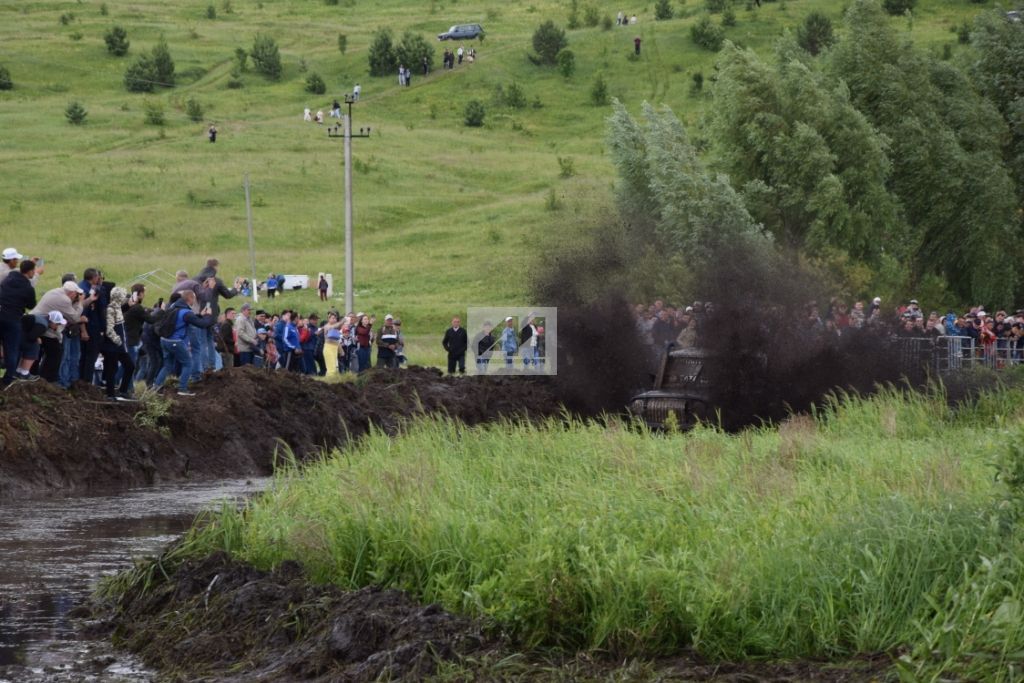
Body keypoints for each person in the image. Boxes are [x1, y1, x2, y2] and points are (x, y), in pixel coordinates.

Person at [152, 290, 216, 396]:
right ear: (190, 298)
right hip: (175, 342)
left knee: (167, 366)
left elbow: (189, 319)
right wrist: (208, 316)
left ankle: (156, 388)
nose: (194, 301)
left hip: (164, 340)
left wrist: (200, 315)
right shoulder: (186, 312)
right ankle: (182, 389)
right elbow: (202, 324)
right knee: (188, 363)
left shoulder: (173, 307)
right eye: (194, 298)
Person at [31, 280, 89, 383]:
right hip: (46, 329)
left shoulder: (54, 291)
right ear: (71, 293)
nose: (77, 296)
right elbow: (74, 318)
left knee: (38, 354)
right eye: (76, 294)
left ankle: (37, 376)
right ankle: (47, 379)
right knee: (55, 354)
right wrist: (80, 303)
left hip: (38, 324)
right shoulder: (64, 300)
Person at [0, 260, 38, 385]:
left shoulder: (8, 279)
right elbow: (31, 305)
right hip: (13, 319)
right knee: (12, 349)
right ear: (30, 271)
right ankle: (8, 378)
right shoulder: (28, 288)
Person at [100, 287, 135, 401]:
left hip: (119, 347)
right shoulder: (111, 309)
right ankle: (110, 394)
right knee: (112, 369)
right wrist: (118, 340)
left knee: (130, 366)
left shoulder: (118, 308)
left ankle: (122, 391)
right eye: (124, 296)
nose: (125, 298)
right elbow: (109, 329)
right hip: (112, 346)